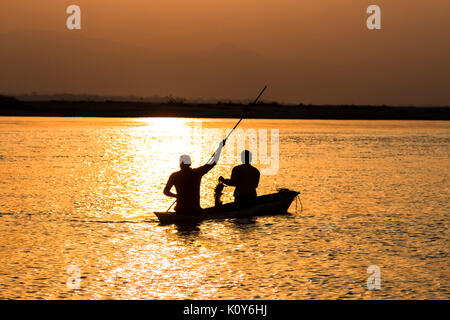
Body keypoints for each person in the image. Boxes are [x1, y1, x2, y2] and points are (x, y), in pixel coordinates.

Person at [164, 140, 225, 215]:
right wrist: (220, 148)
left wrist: (177, 196)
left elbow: (166, 192)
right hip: (195, 210)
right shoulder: (197, 173)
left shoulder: (174, 175)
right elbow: (214, 162)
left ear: (180, 164)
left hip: (180, 210)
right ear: (189, 163)